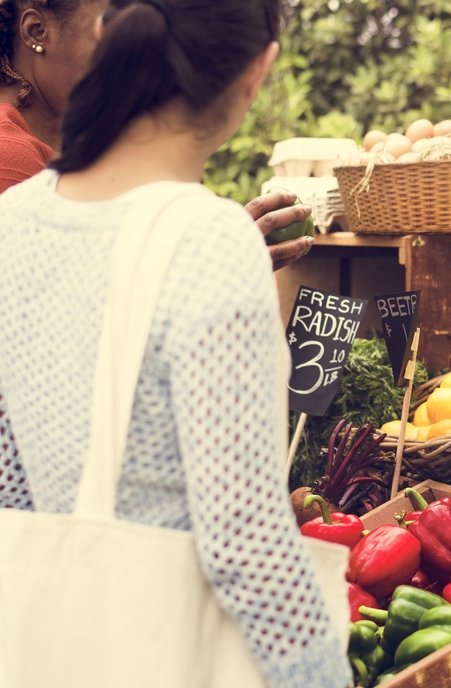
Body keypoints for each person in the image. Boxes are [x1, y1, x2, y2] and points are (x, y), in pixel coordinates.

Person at [0, 1, 350, 686]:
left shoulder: (13, 220)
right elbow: (244, 544)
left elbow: (10, 470)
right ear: (258, 71)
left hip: (51, 649)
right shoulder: (211, 240)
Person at [0, 0, 313, 270]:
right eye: (110, 36)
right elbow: (74, 309)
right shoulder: (10, 157)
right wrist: (218, 266)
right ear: (36, 32)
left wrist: (223, 256)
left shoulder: (80, 153)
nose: (123, 57)